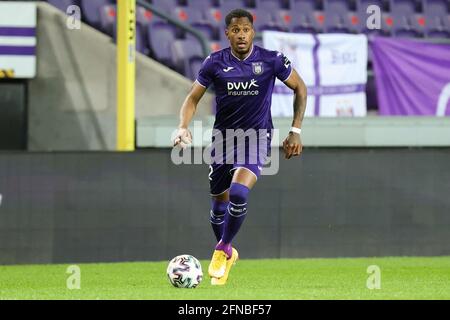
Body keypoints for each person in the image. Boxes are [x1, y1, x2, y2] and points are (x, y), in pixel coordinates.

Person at [173, 9, 307, 285]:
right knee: (218, 206)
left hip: (256, 138)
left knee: (238, 193)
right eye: (236, 30)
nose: (241, 35)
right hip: (223, 140)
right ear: (228, 34)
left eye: (246, 29)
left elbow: (300, 87)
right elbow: (192, 98)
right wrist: (183, 126)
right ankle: (228, 249)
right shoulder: (214, 62)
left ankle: (222, 249)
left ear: (252, 32)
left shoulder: (271, 60)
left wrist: (295, 130)